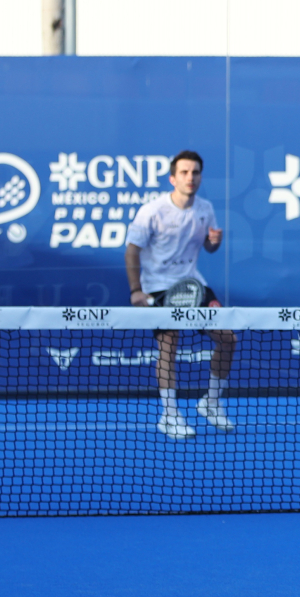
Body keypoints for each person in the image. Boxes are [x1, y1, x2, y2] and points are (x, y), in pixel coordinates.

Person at [124, 150, 236, 440]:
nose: (191, 177)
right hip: (158, 286)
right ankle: (170, 415)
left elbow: (208, 249)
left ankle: (210, 403)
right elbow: (132, 250)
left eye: (195, 172)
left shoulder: (205, 209)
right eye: (184, 172)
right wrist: (136, 290)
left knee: (228, 337)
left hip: (192, 285)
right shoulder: (152, 210)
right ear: (173, 178)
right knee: (169, 342)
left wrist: (214, 243)